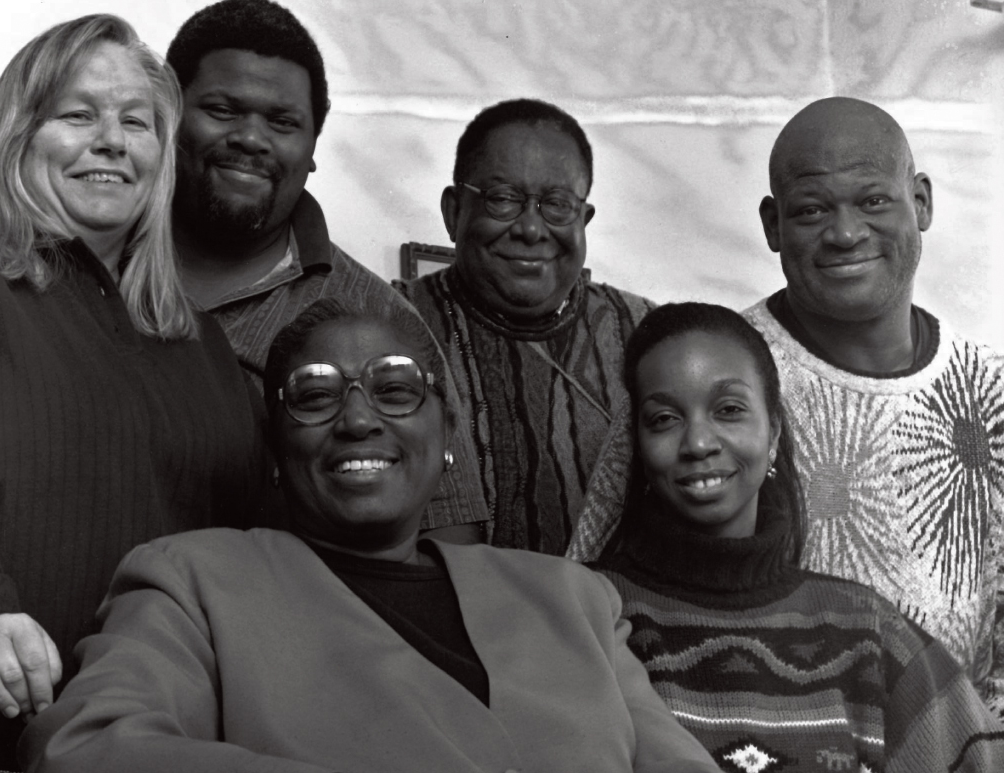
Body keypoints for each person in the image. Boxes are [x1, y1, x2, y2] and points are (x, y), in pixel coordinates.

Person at [19, 297, 722, 773]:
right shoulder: (192, 582)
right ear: (274, 446)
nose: (358, 419)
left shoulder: (572, 598)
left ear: (447, 436)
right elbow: (87, 748)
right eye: (317, 395)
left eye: (395, 390)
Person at [0, 13, 263, 733]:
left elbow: (245, 538)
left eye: (137, 122)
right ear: (18, 133)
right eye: (78, 114)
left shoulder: (200, 340)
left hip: (171, 718)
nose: (111, 139)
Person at [592, 302, 1004, 772]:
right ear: (638, 446)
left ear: (773, 433)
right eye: (664, 419)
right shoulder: (589, 615)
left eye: (729, 410)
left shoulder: (866, 634)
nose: (698, 443)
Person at [164, 0, 488, 536]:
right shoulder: (86, 266)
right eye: (222, 110)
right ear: (167, 114)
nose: (250, 137)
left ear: (313, 145)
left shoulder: (377, 318)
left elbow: (450, 538)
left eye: (282, 121)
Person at [741, 96, 1004, 717]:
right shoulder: (717, 379)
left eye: (873, 200)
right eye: (811, 210)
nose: (845, 232)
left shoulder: (988, 388)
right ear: (773, 225)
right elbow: (612, 608)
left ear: (921, 203)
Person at [397, 98, 653, 559]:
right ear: (454, 211)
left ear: (584, 219)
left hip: (615, 623)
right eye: (503, 199)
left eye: (557, 205)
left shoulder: (646, 338)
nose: (532, 229)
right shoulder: (390, 323)